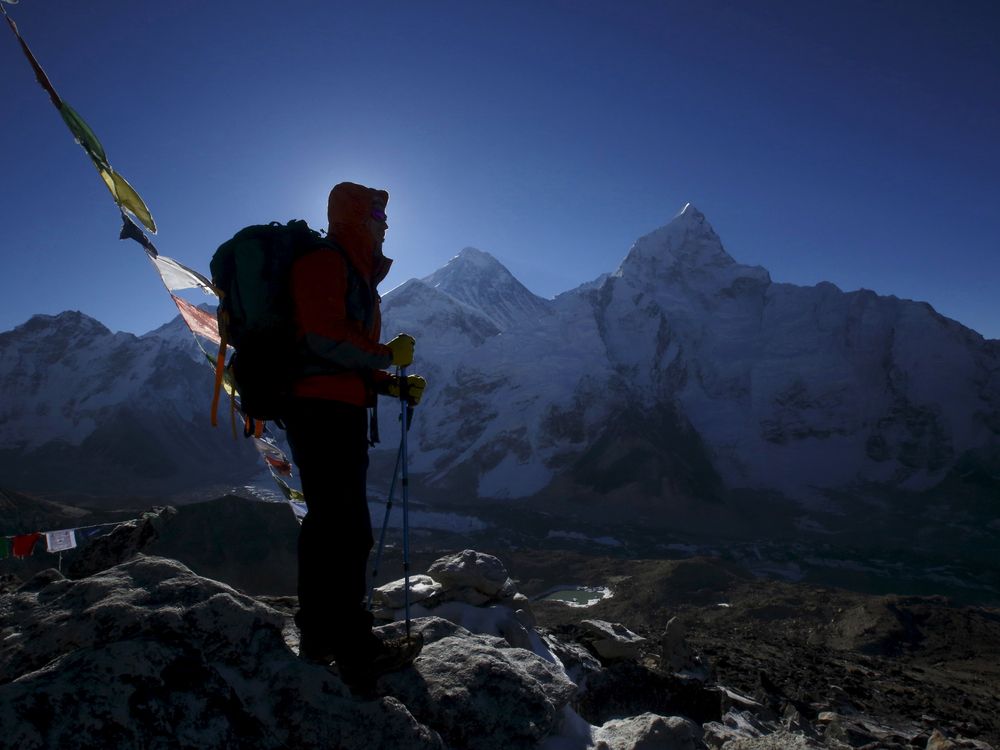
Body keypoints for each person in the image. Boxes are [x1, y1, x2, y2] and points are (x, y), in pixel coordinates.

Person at [284, 181, 425, 688]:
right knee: (344, 530)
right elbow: (324, 340)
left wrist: (389, 385)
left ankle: (322, 636)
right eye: (377, 215)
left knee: (330, 525)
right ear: (355, 218)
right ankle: (353, 646)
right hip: (321, 410)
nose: (385, 224)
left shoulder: (354, 270)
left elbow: (340, 353)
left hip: (332, 407)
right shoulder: (327, 262)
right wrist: (387, 357)